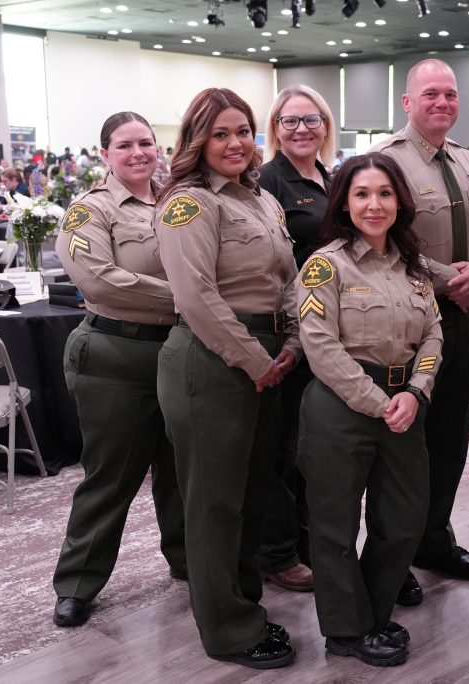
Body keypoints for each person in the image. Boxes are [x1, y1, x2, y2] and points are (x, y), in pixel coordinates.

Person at [153, 87, 299, 669]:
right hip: (212, 361)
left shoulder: (261, 199)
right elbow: (195, 297)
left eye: (243, 131)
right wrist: (255, 360)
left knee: (250, 495)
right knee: (215, 503)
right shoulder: (188, 203)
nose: (235, 143)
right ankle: (228, 630)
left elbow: (288, 281)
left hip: (267, 356)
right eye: (220, 133)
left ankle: (242, 603)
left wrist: (291, 343)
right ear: (197, 140)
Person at [297, 152, 443, 667]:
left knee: (404, 517)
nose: (374, 204)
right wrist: (381, 403)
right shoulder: (326, 266)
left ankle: (374, 616)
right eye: (361, 194)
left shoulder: (415, 267)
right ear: (344, 203)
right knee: (334, 525)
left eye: (384, 193)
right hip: (341, 407)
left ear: (399, 202)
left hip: (405, 404)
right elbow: (321, 347)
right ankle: (346, 630)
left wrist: (416, 391)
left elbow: (433, 334)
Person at [371, 58, 469, 603]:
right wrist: (453, 278)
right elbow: (383, 240)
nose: (442, 102)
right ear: (407, 102)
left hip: (461, 318)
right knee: (402, 443)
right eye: (430, 94)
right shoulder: (386, 161)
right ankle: (392, 556)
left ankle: (434, 539)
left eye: (450, 93)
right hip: (407, 319)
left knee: (450, 437)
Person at [50, 111, 186, 629]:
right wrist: (187, 296)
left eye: (146, 143)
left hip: (181, 350)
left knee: (182, 472)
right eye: (125, 145)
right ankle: (77, 583)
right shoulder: (89, 210)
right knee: (111, 476)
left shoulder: (178, 202)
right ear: (105, 153)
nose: (138, 153)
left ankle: (188, 561)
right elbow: (98, 280)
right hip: (116, 356)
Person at [255, 83, 339, 594]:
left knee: (315, 447)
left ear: (325, 125)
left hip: (331, 332)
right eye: (290, 120)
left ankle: (308, 542)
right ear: (276, 128)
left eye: (311, 119)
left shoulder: (331, 178)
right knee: (281, 449)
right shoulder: (267, 182)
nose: (302, 128)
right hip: (291, 332)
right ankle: (278, 552)